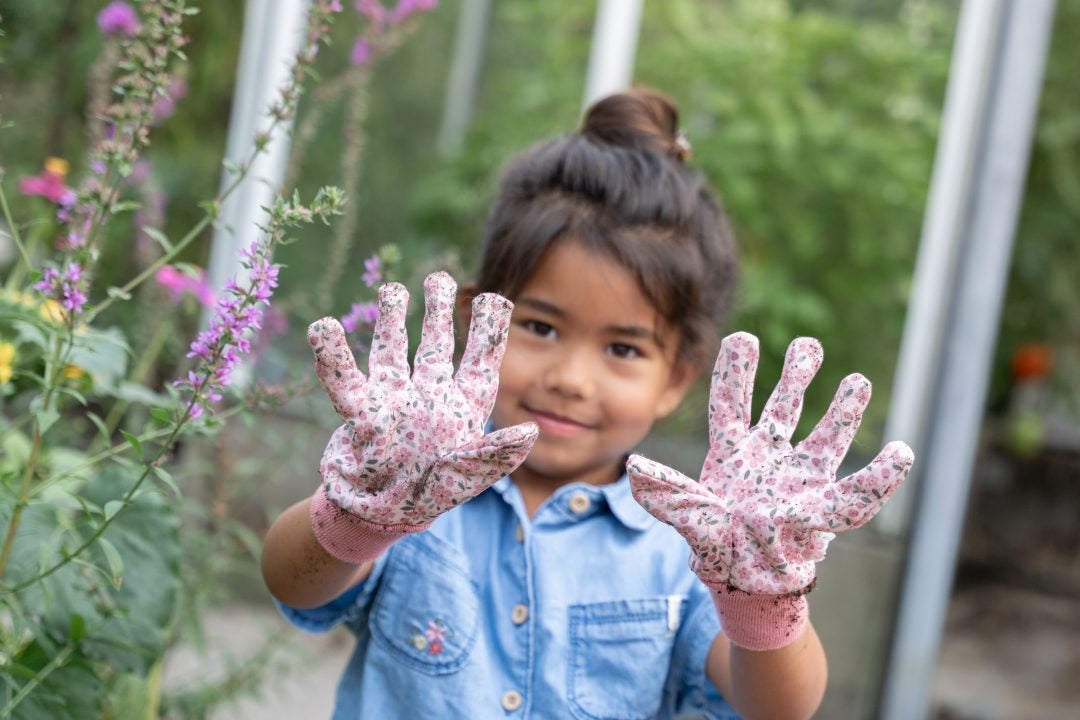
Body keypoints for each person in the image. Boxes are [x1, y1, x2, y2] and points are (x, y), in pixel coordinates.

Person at [261, 88, 914, 719]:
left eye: (623, 350)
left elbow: (778, 708)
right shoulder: (413, 487)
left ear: (677, 378)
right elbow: (291, 580)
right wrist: (360, 514)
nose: (572, 379)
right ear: (476, 321)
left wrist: (765, 593)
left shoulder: (694, 546)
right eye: (541, 328)